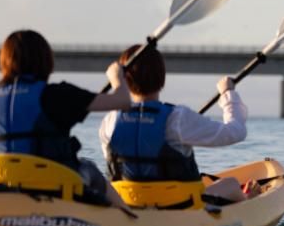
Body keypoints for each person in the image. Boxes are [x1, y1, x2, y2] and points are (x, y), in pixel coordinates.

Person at [0, 29, 131, 207]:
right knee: (89, 169)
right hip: (51, 186)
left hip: (2, 185)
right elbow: (123, 101)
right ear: (45, 61)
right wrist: (117, 78)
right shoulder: (57, 95)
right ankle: (130, 219)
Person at [99, 44, 256, 204]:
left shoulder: (110, 121)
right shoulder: (177, 118)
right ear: (162, 77)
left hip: (127, 203)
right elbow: (236, 131)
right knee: (231, 184)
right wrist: (228, 94)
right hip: (180, 206)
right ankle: (247, 200)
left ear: (124, 79)